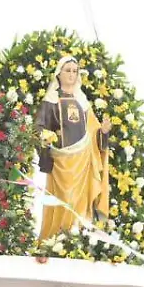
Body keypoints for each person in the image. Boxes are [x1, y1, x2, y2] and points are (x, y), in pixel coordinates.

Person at [35, 55, 112, 240]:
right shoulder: (50, 100)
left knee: (80, 202)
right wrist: (46, 136)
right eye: (67, 70)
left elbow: (93, 133)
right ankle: (57, 238)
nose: (71, 74)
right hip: (60, 162)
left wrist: (103, 132)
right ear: (59, 74)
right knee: (63, 201)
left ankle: (77, 238)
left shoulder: (82, 102)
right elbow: (38, 128)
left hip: (83, 161)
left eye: (75, 71)